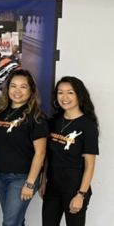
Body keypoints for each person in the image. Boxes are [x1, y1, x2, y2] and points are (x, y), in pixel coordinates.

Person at [0, 69, 48, 226]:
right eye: (13, 86)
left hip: (22, 178)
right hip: (1, 174)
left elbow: (41, 152)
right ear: (7, 89)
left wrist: (30, 183)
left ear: (31, 90)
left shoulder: (36, 117)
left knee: (10, 223)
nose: (17, 91)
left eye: (23, 87)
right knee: (16, 221)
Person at [39, 77, 99, 226]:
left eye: (70, 93)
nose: (64, 97)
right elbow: (48, 156)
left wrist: (81, 194)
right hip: (52, 188)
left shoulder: (87, 125)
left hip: (74, 189)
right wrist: (43, 181)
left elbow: (89, 166)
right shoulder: (54, 121)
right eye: (60, 93)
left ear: (79, 95)